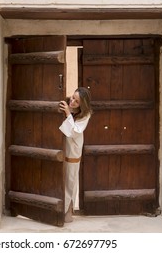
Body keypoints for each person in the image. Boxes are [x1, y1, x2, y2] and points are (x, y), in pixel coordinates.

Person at [58, 87, 92, 223]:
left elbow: (75, 132)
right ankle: (59, 209)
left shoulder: (85, 114)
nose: (72, 102)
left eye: (76, 102)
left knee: (70, 180)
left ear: (82, 105)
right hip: (61, 147)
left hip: (73, 149)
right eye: (72, 97)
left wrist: (67, 113)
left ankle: (67, 211)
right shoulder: (67, 103)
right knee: (60, 178)